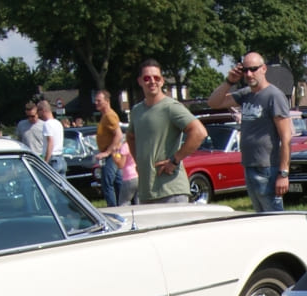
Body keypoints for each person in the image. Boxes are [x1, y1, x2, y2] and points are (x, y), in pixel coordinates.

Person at [209, 51, 292, 212]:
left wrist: (283, 174)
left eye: (253, 69)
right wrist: (229, 81)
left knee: (273, 218)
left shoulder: (274, 96)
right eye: (245, 70)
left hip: (268, 168)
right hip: (249, 165)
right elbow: (214, 102)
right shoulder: (246, 94)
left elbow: (286, 137)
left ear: (263, 69)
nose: (249, 74)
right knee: (259, 218)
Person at [128, 59, 206, 203]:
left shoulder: (171, 107)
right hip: (146, 192)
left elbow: (199, 132)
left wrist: (175, 160)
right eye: (147, 78)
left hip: (171, 191)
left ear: (162, 81)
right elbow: (131, 137)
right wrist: (139, 162)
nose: (152, 81)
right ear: (140, 81)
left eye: (156, 78)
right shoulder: (136, 111)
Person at [93, 89, 124, 206]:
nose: (96, 103)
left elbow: (119, 134)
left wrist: (107, 152)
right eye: (95, 101)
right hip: (114, 154)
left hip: (111, 155)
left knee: (107, 183)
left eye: (99, 101)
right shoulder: (105, 116)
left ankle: (114, 208)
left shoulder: (109, 116)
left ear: (107, 101)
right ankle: (122, 205)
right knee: (117, 182)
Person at [37, 99, 65, 173]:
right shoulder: (58, 123)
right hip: (61, 158)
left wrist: (46, 161)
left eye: (38, 111)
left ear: (43, 110)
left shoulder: (47, 124)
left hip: (53, 159)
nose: (37, 114)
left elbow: (50, 142)